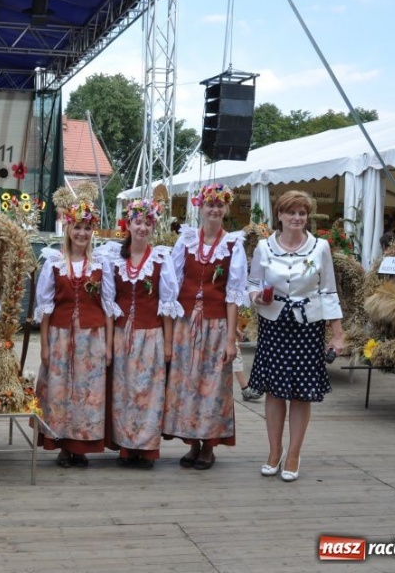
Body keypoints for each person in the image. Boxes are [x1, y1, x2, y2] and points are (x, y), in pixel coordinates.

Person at [247, 190, 345, 482]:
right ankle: (274, 451)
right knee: (275, 391)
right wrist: (257, 297)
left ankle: (293, 454)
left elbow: (328, 291)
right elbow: (252, 283)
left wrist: (337, 335)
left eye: (302, 213)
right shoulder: (264, 247)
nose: (297, 218)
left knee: (302, 393)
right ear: (279, 214)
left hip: (308, 326)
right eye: (291, 212)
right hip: (274, 325)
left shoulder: (320, 247)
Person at [162, 184, 248, 470]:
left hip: (216, 326)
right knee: (187, 383)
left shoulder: (233, 244)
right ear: (201, 207)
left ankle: (209, 445)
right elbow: (172, 284)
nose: (214, 209)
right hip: (186, 324)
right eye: (210, 204)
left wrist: (231, 340)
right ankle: (193, 443)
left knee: (213, 385)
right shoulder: (186, 240)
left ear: (226, 209)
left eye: (219, 205)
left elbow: (233, 295)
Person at [102, 198, 182, 469]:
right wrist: (109, 343)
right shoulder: (114, 258)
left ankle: (146, 449)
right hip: (122, 335)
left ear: (153, 227)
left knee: (150, 392)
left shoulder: (161, 258)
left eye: (148, 223)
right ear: (128, 224)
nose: (142, 228)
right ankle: (126, 447)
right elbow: (109, 304)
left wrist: (168, 343)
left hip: (151, 336)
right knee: (123, 391)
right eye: (138, 222)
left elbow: (167, 304)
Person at [34, 198, 112, 468]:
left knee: (87, 391)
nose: (82, 233)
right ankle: (63, 446)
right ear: (68, 229)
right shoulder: (54, 263)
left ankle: (81, 446)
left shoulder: (101, 264)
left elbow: (108, 306)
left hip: (91, 337)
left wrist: (108, 346)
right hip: (60, 336)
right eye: (77, 227)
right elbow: (45, 308)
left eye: (87, 228)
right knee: (59, 390)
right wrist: (44, 345)